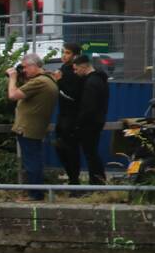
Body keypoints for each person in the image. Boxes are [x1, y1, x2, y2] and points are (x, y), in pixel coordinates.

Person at [6, 53, 58, 200]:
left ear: (34, 66)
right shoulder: (48, 79)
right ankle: (36, 192)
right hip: (35, 127)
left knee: (31, 162)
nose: (24, 71)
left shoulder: (39, 82)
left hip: (28, 129)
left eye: (25, 67)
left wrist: (13, 77)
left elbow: (13, 95)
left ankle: (35, 194)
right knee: (34, 160)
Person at [70, 54, 109, 186]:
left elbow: (88, 107)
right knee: (92, 153)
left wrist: (79, 123)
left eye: (76, 69)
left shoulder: (91, 83)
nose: (75, 72)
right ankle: (98, 181)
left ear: (84, 66)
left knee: (91, 154)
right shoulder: (100, 79)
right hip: (97, 121)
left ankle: (97, 182)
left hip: (89, 124)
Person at [52, 43, 83, 182]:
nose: (64, 55)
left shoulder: (75, 72)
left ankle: (74, 179)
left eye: (68, 53)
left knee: (71, 149)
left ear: (75, 55)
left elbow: (72, 95)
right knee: (59, 146)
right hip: (62, 115)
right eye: (63, 52)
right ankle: (71, 177)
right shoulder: (63, 68)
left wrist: (59, 82)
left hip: (72, 117)